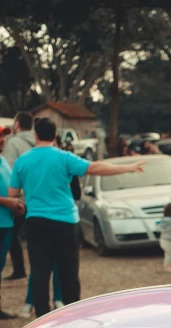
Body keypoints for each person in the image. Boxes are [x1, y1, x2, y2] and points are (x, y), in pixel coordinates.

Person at [9, 117, 144, 317]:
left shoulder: (22, 161)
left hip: (36, 221)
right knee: (69, 271)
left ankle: (42, 319)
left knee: (39, 271)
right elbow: (95, 168)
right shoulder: (64, 158)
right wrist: (128, 167)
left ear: (35, 135)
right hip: (65, 221)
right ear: (55, 135)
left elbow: (13, 193)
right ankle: (73, 317)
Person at [3, 111, 35, 280]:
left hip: (19, 199)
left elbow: (10, 171)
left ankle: (19, 269)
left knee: (11, 234)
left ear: (16, 125)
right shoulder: (39, 141)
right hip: (36, 198)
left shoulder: (14, 142)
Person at [0, 125, 25, 318]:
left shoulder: (3, 161)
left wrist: (17, 205)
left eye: (3, 136)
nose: (2, 140)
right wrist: (7, 201)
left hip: (7, 223)